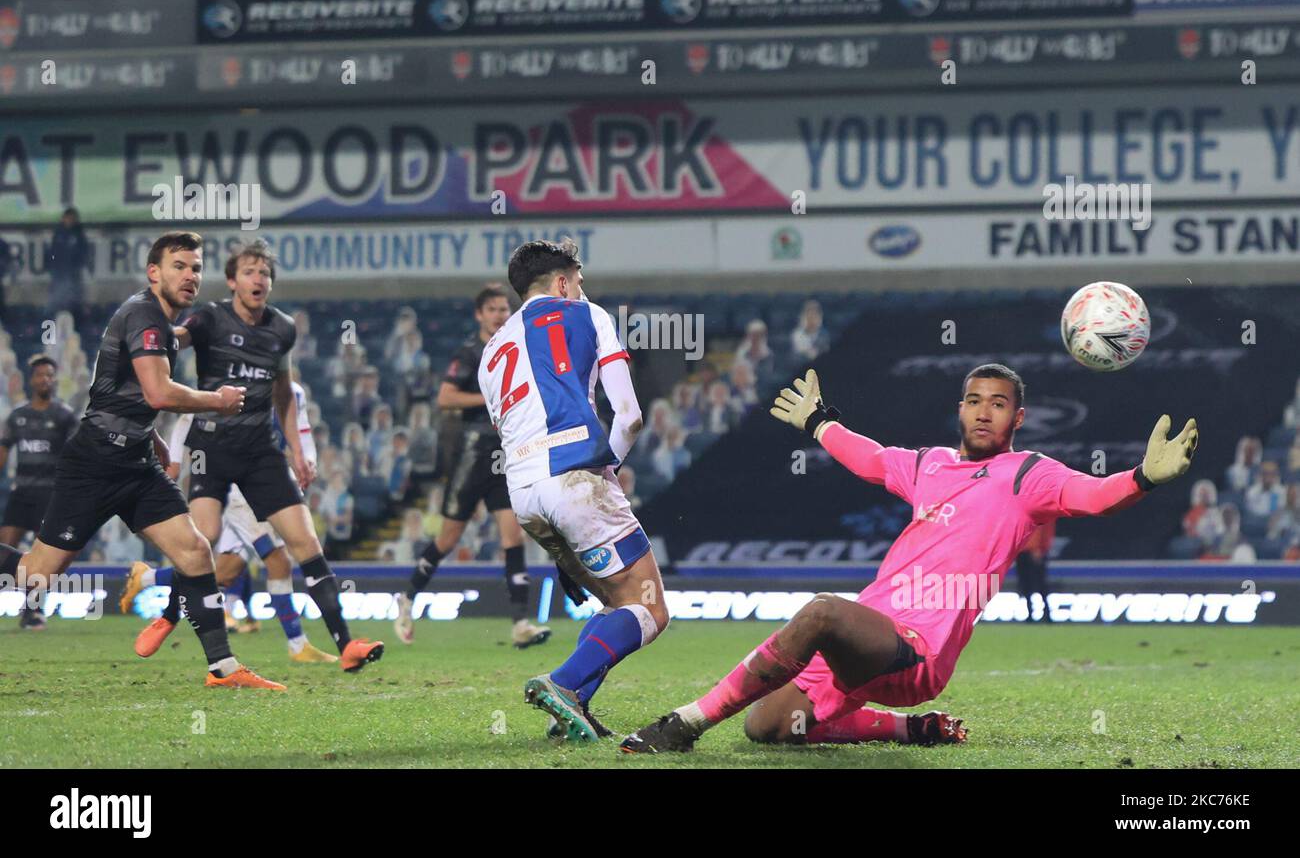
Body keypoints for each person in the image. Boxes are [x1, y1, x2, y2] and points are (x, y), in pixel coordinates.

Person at [621, 363, 1197, 752]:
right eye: (974, 400)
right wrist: (820, 423)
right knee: (768, 727)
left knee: (822, 611)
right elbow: (871, 459)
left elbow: (1093, 498)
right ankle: (909, 728)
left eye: (998, 404)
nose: (983, 412)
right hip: (869, 637)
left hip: (916, 651)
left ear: (1017, 419)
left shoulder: (1030, 475)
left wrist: (1144, 476)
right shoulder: (929, 464)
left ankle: (686, 722)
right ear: (960, 408)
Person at [0, 231, 281, 689]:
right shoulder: (144, 316)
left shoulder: (163, 326)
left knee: (194, 550)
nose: (190, 276)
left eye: (195, 268)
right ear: (154, 272)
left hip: (135, 461)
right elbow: (158, 392)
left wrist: (152, 439)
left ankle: (223, 669)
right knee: (36, 575)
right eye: (179, 266)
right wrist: (218, 400)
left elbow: (129, 394)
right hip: (94, 463)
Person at [132, 239, 382, 673]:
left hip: (261, 452)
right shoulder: (210, 317)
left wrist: (299, 450)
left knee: (305, 542)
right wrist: (154, 334)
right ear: (232, 281)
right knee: (203, 539)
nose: (258, 280)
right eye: (249, 272)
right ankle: (170, 614)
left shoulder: (282, 328)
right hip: (211, 446)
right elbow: (177, 338)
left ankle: (346, 644)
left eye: (264, 273)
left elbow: (283, 392)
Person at [479, 239, 667, 742]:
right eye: (578, 280)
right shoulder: (586, 315)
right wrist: (608, 468)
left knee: (615, 605)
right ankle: (562, 685)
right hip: (576, 478)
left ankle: (572, 709)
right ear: (562, 282)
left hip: (524, 495)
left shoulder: (492, 349)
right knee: (650, 608)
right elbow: (628, 415)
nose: (582, 288)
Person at [121, 380, 337, 663]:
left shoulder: (293, 391)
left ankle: (146, 578)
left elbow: (303, 431)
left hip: (265, 488)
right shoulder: (235, 380)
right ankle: (298, 645)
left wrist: (306, 461)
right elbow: (190, 414)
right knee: (278, 560)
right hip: (237, 491)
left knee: (224, 572)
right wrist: (174, 463)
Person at [395, 283, 551, 649]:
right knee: (447, 539)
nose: (499, 315)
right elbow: (445, 397)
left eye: (504, 309)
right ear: (480, 315)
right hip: (471, 452)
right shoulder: (469, 353)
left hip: (505, 454)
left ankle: (520, 623)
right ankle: (407, 597)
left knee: (512, 536)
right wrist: (491, 397)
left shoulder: (516, 349)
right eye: (493, 309)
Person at [0, 354, 79, 629]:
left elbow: (75, 455)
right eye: (40, 375)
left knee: (41, 556)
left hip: (50, 496)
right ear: (31, 379)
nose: (45, 379)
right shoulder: (17, 416)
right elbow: (3, 451)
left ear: (54, 380)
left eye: (49, 375)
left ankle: (32, 611)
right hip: (20, 492)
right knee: (5, 544)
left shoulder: (64, 415)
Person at [45, 207, 91, 329]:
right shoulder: (58, 234)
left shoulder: (79, 235)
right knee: (55, 308)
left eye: (72, 218)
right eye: (67, 218)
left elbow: (83, 256)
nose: (69, 221)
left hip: (74, 278)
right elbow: (52, 255)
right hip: (58, 278)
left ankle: (75, 332)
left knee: (74, 306)